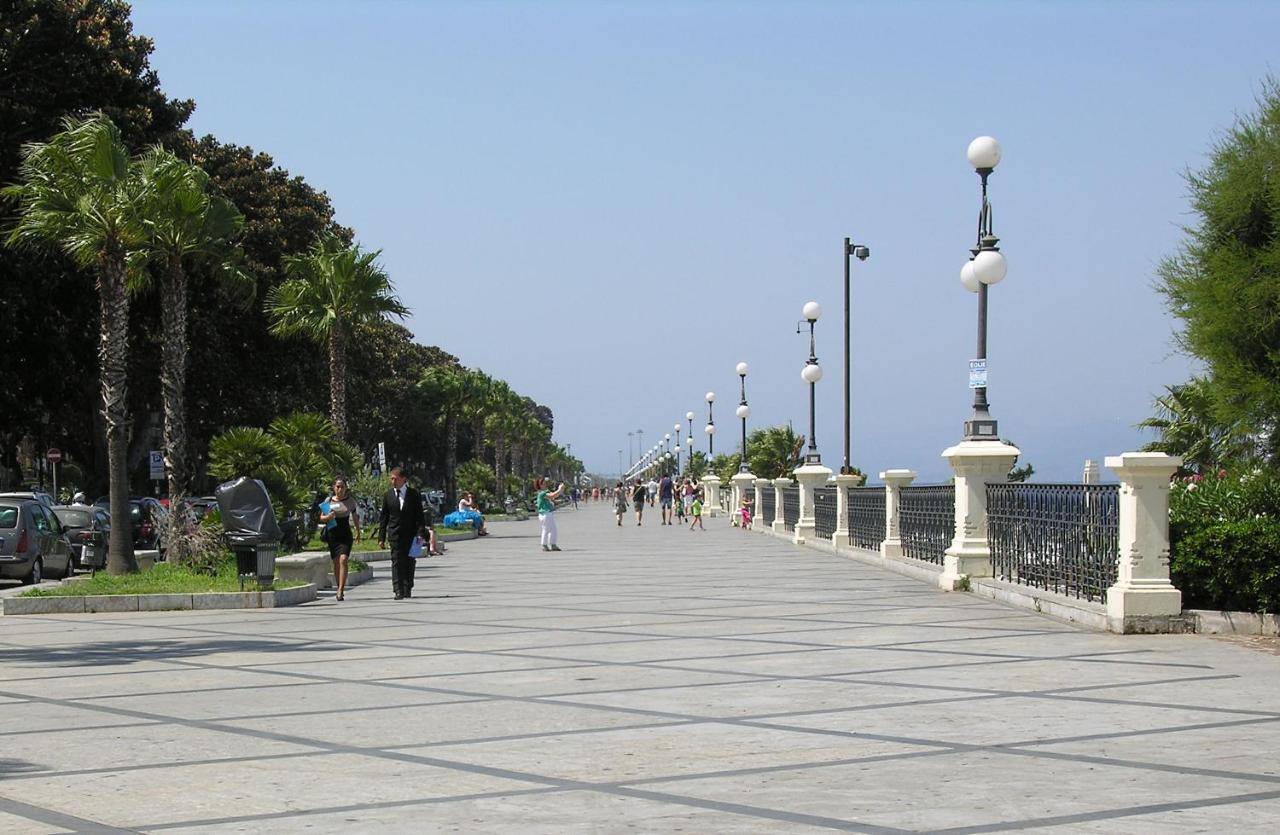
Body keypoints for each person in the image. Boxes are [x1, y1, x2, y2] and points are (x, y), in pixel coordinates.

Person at [378, 467, 425, 599]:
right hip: (394, 534)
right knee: (396, 561)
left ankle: (407, 586)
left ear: (403, 479)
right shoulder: (388, 495)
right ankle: (398, 590)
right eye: (391, 478)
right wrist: (381, 537)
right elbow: (384, 518)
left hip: (411, 535)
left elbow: (419, 516)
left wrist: (420, 533)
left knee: (410, 561)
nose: (392, 481)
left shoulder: (413, 494)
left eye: (395, 478)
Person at [319, 476, 361, 601]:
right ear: (334, 488)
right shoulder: (328, 501)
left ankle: (341, 590)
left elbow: (355, 517)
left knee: (343, 560)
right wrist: (328, 517)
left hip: (345, 534)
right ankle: (338, 586)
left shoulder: (350, 501)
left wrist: (358, 531)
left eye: (342, 487)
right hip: (333, 534)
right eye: (338, 486)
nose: (340, 489)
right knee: (336, 562)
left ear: (346, 488)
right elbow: (321, 517)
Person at [535, 478, 565, 551]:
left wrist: (560, 490)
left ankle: (553, 544)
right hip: (545, 514)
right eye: (544, 483)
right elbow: (552, 495)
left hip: (548, 513)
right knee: (546, 529)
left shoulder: (544, 492)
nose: (545, 484)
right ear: (540, 485)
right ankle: (544, 545)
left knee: (553, 530)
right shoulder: (542, 493)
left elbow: (554, 496)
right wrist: (559, 489)